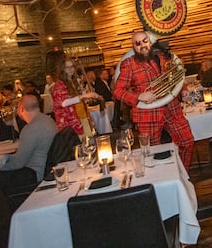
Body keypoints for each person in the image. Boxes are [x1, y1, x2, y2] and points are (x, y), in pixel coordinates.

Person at [114, 31, 194, 170]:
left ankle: (182, 172)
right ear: (133, 46)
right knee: (152, 153)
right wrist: (138, 96)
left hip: (172, 108)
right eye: (137, 43)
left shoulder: (164, 57)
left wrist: (184, 89)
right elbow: (117, 91)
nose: (142, 45)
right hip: (147, 114)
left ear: (150, 42)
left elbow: (176, 76)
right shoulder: (129, 64)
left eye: (144, 41)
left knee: (187, 142)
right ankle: (160, 178)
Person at [0, 93, 58, 204]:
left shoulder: (30, 129)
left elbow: (18, 163)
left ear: (20, 109)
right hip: (46, 168)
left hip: (34, 173)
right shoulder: (49, 120)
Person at [51, 56, 100, 135]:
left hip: (80, 117)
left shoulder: (73, 82)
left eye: (72, 66)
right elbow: (63, 103)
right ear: (62, 69)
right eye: (67, 67)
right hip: (69, 122)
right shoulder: (59, 84)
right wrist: (84, 96)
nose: (70, 69)